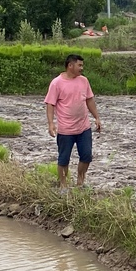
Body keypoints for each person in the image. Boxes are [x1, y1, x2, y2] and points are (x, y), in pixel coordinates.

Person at [44, 54, 102, 190]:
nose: (82, 68)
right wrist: (51, 123)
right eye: (79, 65)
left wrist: (97, 117)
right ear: (70, 65)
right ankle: (63, 186)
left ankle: (80, 182)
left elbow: (89, 100)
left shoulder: (84, 81)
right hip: (66, 129)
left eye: (82, 65)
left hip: (84, 127)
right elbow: (50, 104)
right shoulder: (57, 83)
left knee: (87, 156)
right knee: (64, 159)